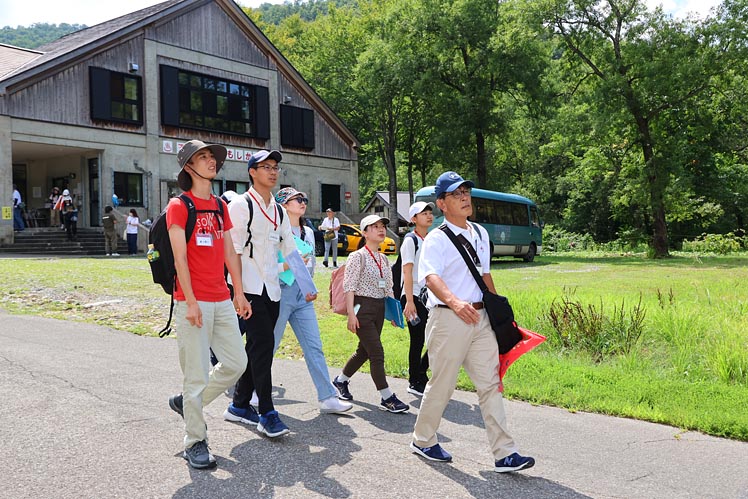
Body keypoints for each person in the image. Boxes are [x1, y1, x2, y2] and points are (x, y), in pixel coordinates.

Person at [410, 171, 535, 473]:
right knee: (442, 383)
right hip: (448, 318)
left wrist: (497, 313)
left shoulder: (479, 233)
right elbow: (430, 277)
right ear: (441, 203)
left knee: (491, 383)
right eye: (456, 194)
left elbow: (485, 274)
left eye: (466, 191)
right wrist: (454, 301)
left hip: (480, 319)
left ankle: (505, 452)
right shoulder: (436, 240)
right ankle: (423, 439)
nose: (465, 197)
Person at [165, 139, 251, 470]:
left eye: (212, 157)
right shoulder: (179, 205)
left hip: (221, 297)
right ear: (189, 166)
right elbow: (179, 257)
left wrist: (239, 291)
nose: (211, 161)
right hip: (193, 300)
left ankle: (188, 404)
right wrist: (188, 301)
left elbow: (229, 251)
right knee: (196, 374)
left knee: (235, 362)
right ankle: (195, 441)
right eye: (203, 157)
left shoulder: (219, 205)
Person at [224, 150, 297, 438]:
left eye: (276, 167)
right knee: (264, 345)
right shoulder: (241, 206)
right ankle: (267, 412)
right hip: (248, 289)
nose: (273, 171)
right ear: (252, 172)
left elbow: (289, 249)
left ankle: (239, 405)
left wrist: (309, 286)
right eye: (266, 167)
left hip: (273, 289)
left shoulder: (279, 210)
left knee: (256, 347)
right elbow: (233, 252)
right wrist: (237, 293)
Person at [272, 187, 353, 415]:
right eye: (297, 199)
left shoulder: (307, 231)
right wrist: (286, 267)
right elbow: (267, 265)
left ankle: (327, 397)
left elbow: (310, 263)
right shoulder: (275, 230)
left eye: (304, 198)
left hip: (302, 295)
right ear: (284, 205)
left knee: (314, 346)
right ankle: (253, 390)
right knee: (270, 345)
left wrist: (310, 287)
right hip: (280, 292)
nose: (302, 202)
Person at [332, 214, 409, 414]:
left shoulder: (383, 258)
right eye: (374, 227)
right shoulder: (357, 256)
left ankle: (340, 381)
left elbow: (389, 288)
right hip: (361, 308)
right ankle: (387, 397)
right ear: (365, 233)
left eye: (382, 226)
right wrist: (351, 314)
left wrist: (394, 313)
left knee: (364, 351)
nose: (381, 229)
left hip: (379, 308)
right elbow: (349, 286)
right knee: (376, 352)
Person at [400, 201, 434, 397]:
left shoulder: (430, 239)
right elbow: (407, 270)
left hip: (430, 297)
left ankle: (421, 372)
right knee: (418, 339)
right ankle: (415, 380)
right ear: (414, 219)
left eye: (430, 212)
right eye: (423, 213)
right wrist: (410, 301)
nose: (429, 216)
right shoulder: (410, 241)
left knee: (437, 338)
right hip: (413, 296)